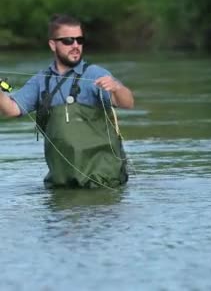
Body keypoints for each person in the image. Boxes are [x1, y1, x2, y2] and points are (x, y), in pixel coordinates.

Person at [0, 14, 135, 188]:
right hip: (62, 181)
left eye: (79, 40)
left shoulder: (94, 74)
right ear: (52, 45)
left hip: (103, 180)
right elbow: (12, 109)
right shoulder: (40, 80)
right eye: (68, 41)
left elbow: (128, 103)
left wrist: (117, 87)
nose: (75, 46)